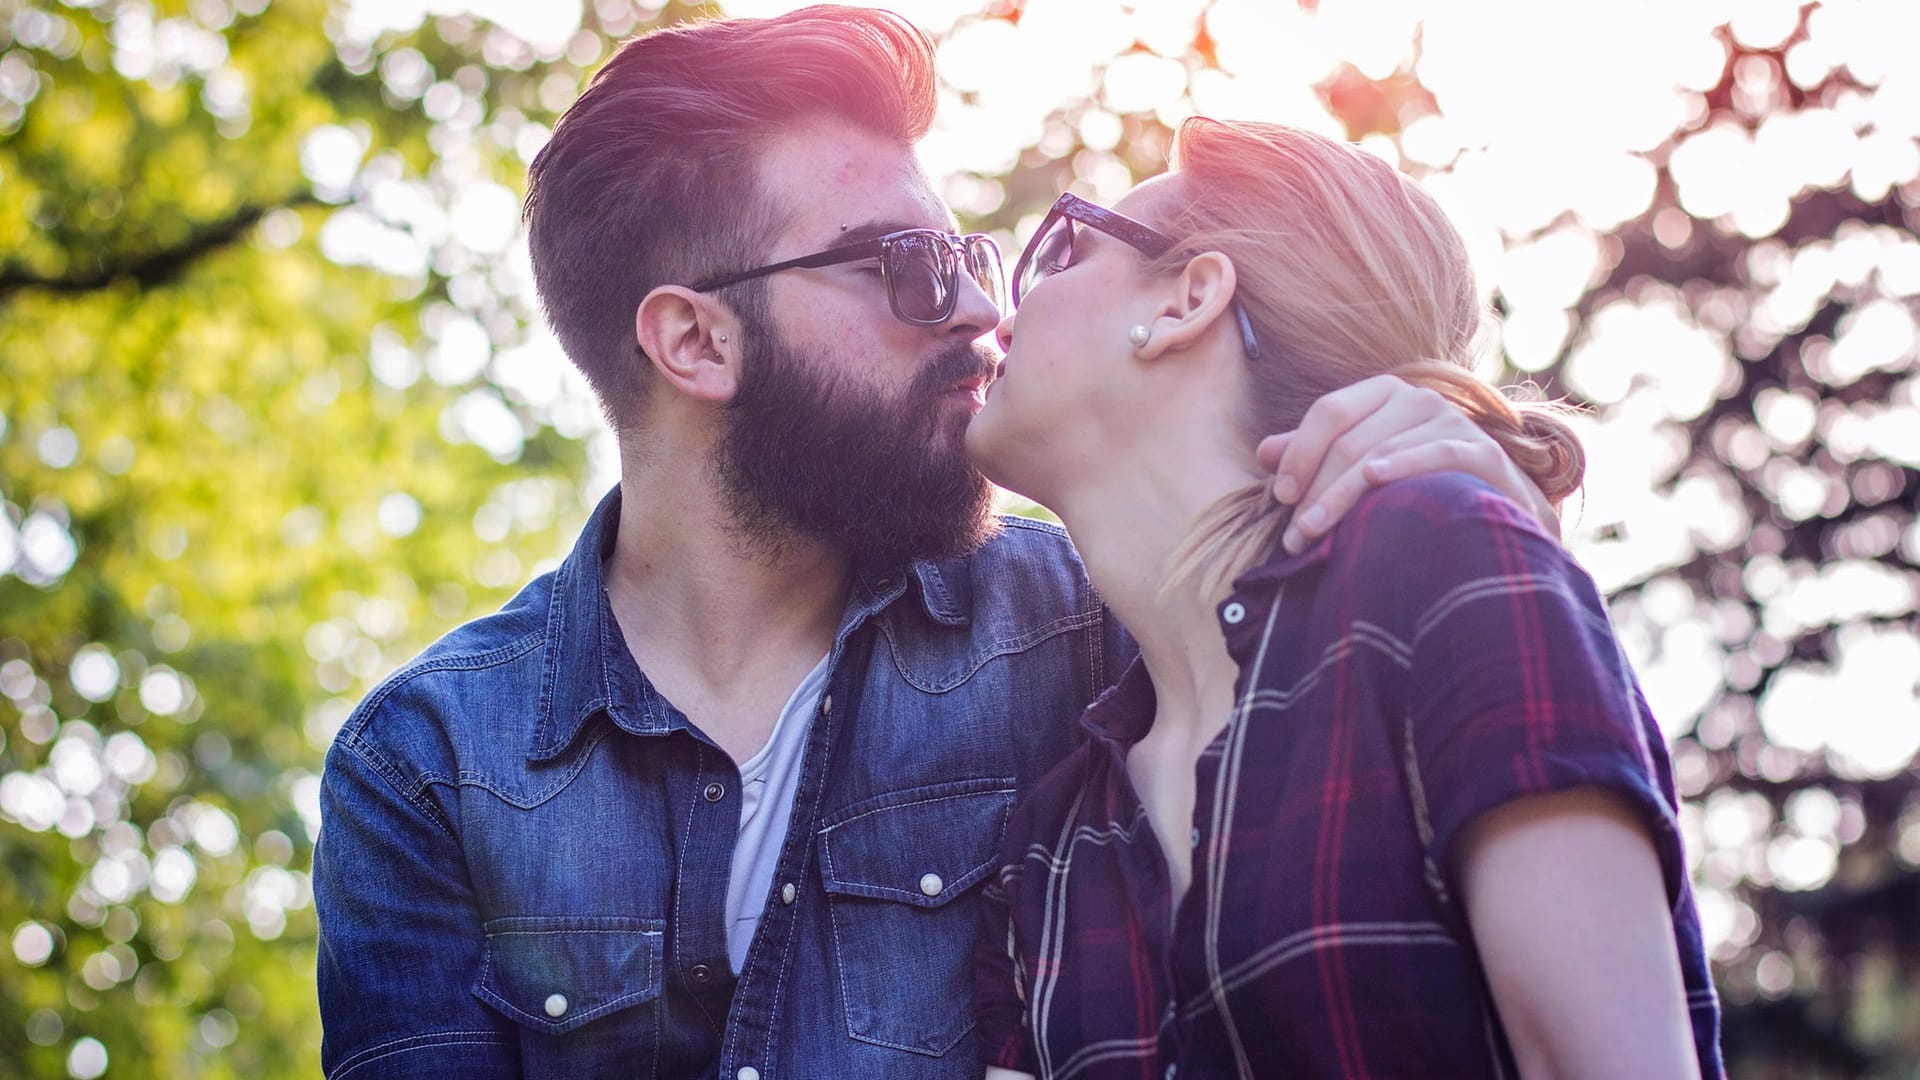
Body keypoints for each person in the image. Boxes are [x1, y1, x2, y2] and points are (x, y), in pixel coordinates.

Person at [312, 9, 1563, 1079]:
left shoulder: (1099, 627)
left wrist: (1466, 464)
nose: (977, 307)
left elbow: (1427, 743)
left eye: (963, 254)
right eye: (902, 266)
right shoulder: (427, 766)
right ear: (695, 343)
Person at [965, 117, 1724, 1079]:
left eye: (1064, 248)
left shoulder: (1442, 565)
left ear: (1192, 298)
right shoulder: (1055, 834)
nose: (994, 310)